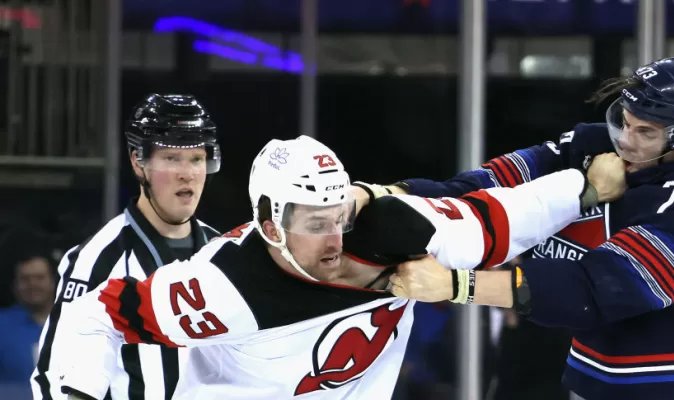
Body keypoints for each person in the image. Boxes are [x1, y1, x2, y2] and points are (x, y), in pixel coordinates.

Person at [55, 135, 627, 400]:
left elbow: (504, 212)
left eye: (339, 217)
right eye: (312, 223)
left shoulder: (406, 235)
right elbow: (91, 317)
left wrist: (588, 188)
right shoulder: (219, 287)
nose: (333, 239)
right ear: (269, 223)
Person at [385, 56, 674, 400]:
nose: (626, 140)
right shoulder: (593, 145)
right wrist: (391, 194)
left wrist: (458, 284)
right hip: (600, 377)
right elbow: (491, 184)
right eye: (624, 122)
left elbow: (612, 286)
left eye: (646, 132)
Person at [31, 94, 223, 400]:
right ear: (138, 162)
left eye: (197, 158)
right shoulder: (96, 259)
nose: (187, 172)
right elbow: (53, 374)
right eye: (171, 158)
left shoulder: (225, 254)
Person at [0, 250, 56, 384]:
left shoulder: (76, 322)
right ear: (14, 285)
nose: (32, 284)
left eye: (39, 277)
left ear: (53, 281)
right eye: (25, 279)